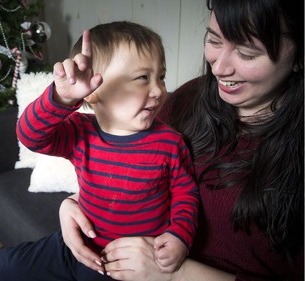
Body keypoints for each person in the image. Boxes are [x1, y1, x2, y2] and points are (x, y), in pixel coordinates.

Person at [58, 0, 304, 280]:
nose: (219, 68)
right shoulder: (188, 98)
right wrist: (74, 203)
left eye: (247, 53)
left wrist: (174, 274)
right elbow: (136, 165)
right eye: (213, 40)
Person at [0, 21, 199, 281]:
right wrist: (61, 97)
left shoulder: (170, 142)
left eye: (161, 76)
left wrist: (179, 235)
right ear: (93, 90)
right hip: (75, 246)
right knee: (6, 265)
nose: (158, 90)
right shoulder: (81, 132)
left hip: (127, 266)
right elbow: (31, 135)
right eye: (143, 78)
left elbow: (185, 193)